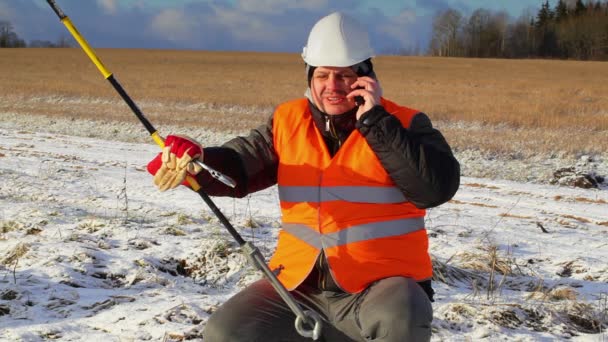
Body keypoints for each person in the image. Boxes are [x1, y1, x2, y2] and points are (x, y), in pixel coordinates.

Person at [147, 11, 460, 342]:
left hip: (379, 290)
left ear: (365, 77)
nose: (332, 86)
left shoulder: (405, 123)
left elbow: (435, 188)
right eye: (322, 75)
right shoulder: (287, 120)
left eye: (344, 75)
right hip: (298, 288)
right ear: (310, 75)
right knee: (226, 332)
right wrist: (198, 161)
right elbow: (241, 165)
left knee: (403, 316)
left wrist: (376, 122)